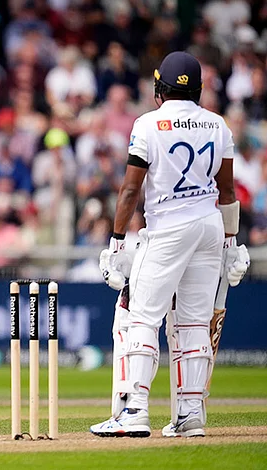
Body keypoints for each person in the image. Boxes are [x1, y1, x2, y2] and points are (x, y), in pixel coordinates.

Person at [91, 52, 250, 438]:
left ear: (160, 87)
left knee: (143, 318)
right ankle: (190, 412)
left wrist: (115, 242)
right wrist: (231, 242)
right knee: (194, 323)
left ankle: (135, 410)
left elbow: (131, 187)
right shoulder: (218, 124)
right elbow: (227, 191)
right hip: (210, 227)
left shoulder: (148, 123)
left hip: (167, 228)